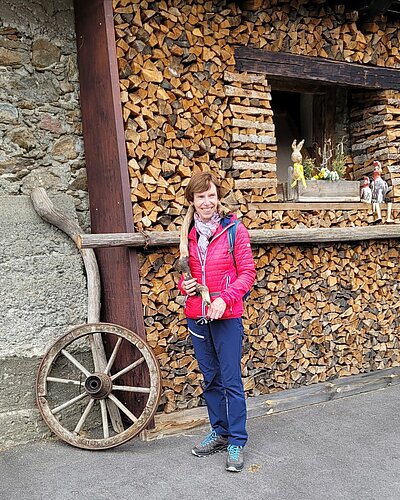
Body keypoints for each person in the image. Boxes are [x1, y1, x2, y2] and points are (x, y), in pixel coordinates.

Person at [178, 171, 256, 473]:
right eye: (201, 197)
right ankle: (219, 431)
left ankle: (237, 439)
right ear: (192, 201)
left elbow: (247, 273)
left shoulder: (235, 230)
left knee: (231, 380)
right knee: (211, 380)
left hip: (227, 316)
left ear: (217, 197)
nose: (207, 202)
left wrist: (225, 298)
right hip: (197, 315)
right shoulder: (188, 236)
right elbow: (185, 278)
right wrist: (183, 287)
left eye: (211, 195)